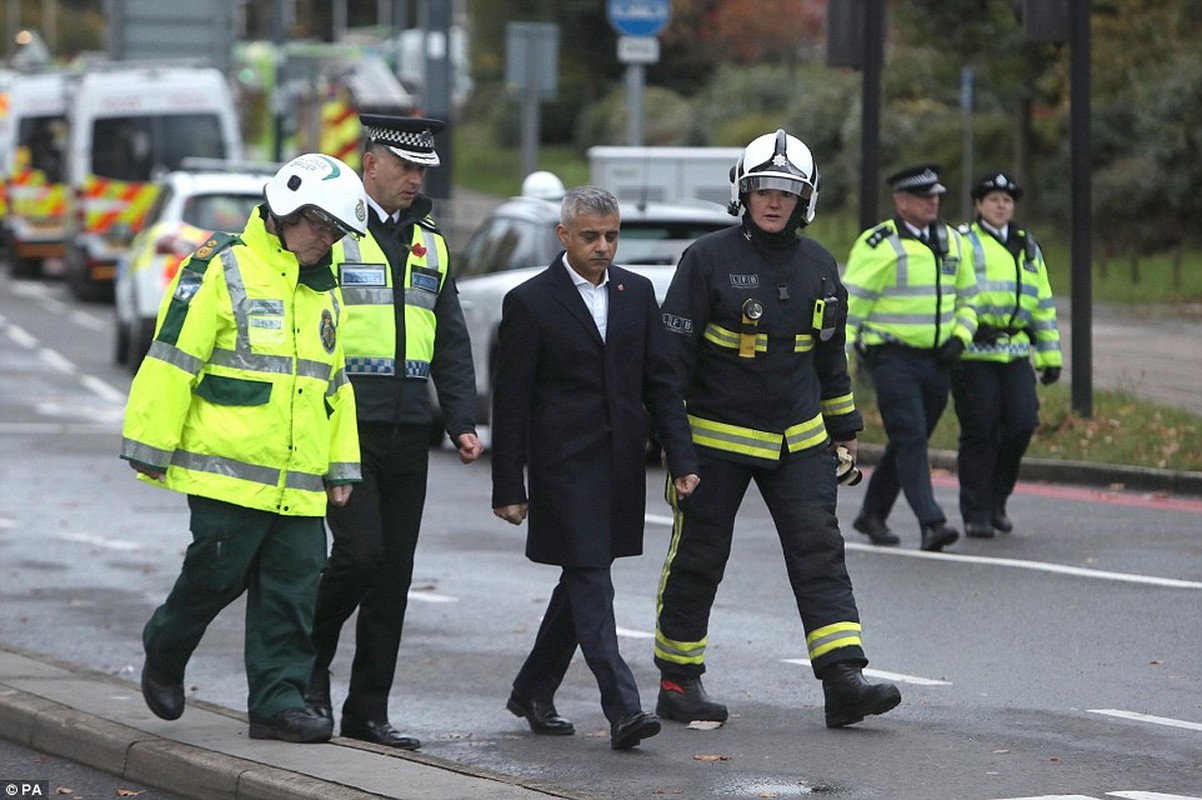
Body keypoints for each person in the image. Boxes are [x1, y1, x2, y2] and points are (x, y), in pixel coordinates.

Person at [653, 129, 901, 729]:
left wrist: (845, 430)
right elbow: (669, 364)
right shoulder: (706, 259)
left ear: (805, 200)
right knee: (699, 557)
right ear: (743, 191)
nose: (773, 200)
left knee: (821, 555)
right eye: (762, 187)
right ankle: (678, 681)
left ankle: (844, 679)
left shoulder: (819, 264)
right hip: (715, 443)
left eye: (787, 191)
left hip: (801, 441)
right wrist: (676, 449)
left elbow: (830, 357)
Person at [121, 153, 367, 743]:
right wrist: (149, 444)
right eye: (318, 224)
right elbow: (174, 356)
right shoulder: (221, 266)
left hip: (301, 479)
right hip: (225, 472)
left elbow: (334, 385)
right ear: (284, 210)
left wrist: (342, 465)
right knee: (215, 576)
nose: (325, 239)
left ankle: (278, 704)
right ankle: (167, 644)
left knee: (293, 591)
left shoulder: (325, 291)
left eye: (335, 230)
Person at [491, 185, 700, 750]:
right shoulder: (530, 301)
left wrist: (681, 458)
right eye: (590, 236)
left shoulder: (636, 293)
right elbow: (510, 405)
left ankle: (533, 689)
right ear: (563, 236)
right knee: (591, 579)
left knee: (580, 581)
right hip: (562, 468)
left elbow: (661, 383)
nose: (603, 246)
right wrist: (509, 485)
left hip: (620, 466)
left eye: (611, 235)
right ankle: (624, 708)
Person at [305, 115, 483, 751]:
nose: (416, 179)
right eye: (405, 168)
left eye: (423, 170)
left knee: (394, 576)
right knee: (359, 556)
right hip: (345, 427)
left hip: (411, 430)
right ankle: (306, 673)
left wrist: (461, 419)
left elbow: (452, 337)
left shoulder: (430, 242)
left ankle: (368, 710)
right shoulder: (335, 233)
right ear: (369, 163)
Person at [842, 163, 978, 553]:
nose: (933, 202)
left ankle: (872, 514)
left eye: (936, 195)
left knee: (908, 440)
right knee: (911, 436)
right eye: (924, 196)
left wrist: (960, 337)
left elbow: (970, 299)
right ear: (901, 202)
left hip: (939, 360)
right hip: (891, 357)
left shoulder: (953, 241)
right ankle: (932, 523)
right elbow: (851, 308)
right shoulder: (879, 244)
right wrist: (837, 364)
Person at [953, 171, 1062, 538]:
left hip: (1015, 352)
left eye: (1007, 200)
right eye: (994, 199)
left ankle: (998, 499)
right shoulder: (962, 241)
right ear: (979, 205)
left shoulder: (1027, 244)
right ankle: (976, 511)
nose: (1001, 205)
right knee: (980, 430)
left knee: (1021, 424)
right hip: (974, 353)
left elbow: (1042, 304)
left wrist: (1050, 357)